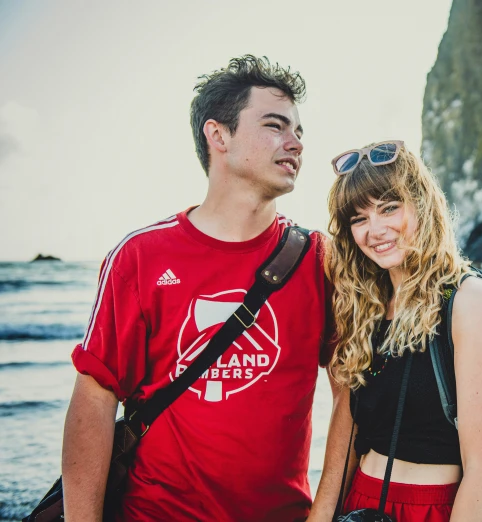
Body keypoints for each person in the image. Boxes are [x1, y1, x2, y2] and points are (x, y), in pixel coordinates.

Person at [62, 55, 337, 522]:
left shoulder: (319, 259)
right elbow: (95, 397)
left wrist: (323, 514)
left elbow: (351, 386)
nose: (296, 144)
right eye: (276, 126)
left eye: (300, 132)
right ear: (218, 136)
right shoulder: (140, 257)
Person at [308, 141, 482, 522]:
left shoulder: (468, 300)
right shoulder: (365, 303)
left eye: (389, 208)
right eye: (358, 218)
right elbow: (349, 429)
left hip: (432, 509)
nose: (375, 230)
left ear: (421, 204)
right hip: (358, 505)